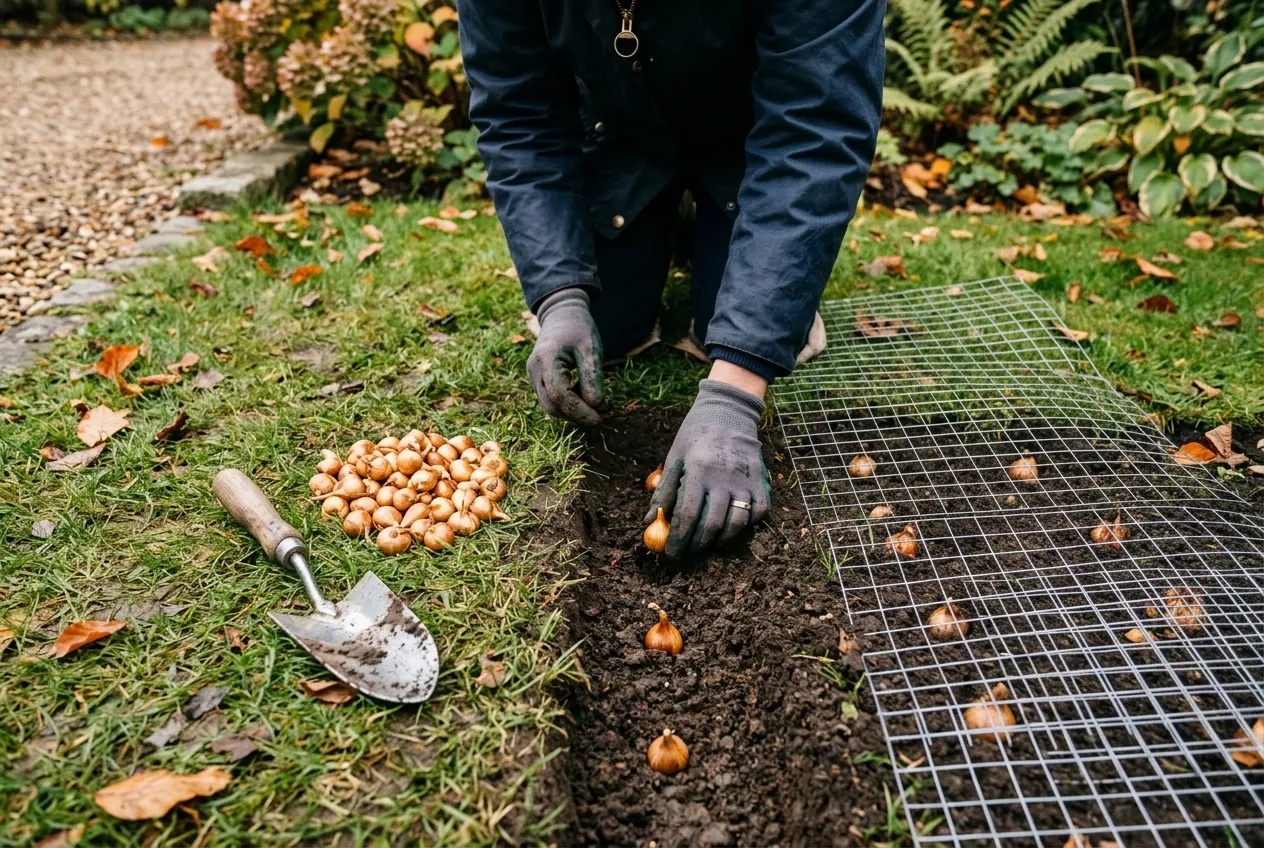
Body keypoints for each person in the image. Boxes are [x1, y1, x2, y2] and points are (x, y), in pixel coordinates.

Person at [457, 0, 884, 558]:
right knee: (606, 325)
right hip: (620, 129)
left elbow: (816, 131)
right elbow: (518, 117)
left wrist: (738, 386)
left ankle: (727, 230)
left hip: (749, 138)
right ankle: (668, 221)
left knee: (731, 329)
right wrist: (559, 293)